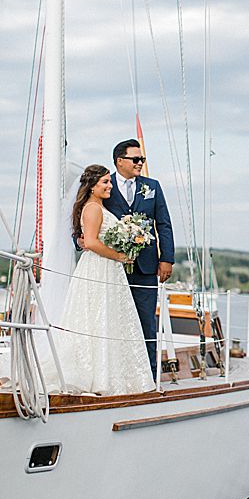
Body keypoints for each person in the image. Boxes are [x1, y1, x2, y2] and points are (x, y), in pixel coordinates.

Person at [50, 164, 155, 396]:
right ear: (92, 186)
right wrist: (119, 255)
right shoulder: (93, 209)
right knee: (97, 316)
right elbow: (91, 242)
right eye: (105, 182)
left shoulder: (98, 207)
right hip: (99, 268)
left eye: (109, 181)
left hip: (108, 269)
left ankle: (108, 375)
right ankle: (98, 377)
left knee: (107, 318)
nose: (109, 186)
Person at [105, 138, 174, 377]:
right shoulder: (105, 185)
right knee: (114, 321)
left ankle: (149, 375)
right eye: (136, 159)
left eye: (142, 159)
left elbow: (163, 225)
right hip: (112, 266)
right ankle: (116, 374)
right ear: (119, 161)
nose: (140, 163)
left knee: (146, 322)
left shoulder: (152, 186)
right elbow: (87, 212)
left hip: (146, 267)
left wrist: (167, 258)